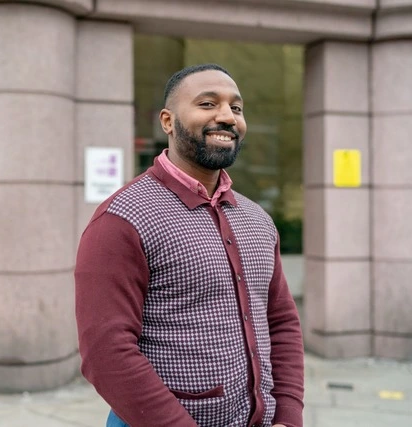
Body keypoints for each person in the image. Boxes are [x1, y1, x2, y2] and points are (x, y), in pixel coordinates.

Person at [74, 64, 304, 427]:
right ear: (167, 121)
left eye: (237, 108)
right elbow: (106, 353)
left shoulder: (257, 219)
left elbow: (282, 323)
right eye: (208, 104)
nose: (227, 117)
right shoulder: (122, 219)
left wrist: (288, 416)